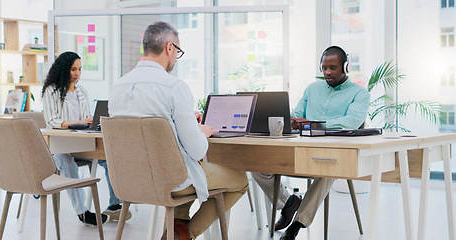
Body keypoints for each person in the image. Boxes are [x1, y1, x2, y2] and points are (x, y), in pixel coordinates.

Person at [108, 21, 249, 240]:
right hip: (170, 181)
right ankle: (183, 235)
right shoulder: (173, 86)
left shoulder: (117, 87)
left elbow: (151, 131)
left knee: (188, 168)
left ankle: (176, 230)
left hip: (131, 182)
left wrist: (179, 123)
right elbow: (195, 150)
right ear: (169, 47)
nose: (176, 58)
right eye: (178, 51)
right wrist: (200, 131)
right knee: (240, 181)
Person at [252, 46, 370, 240]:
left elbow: (352, 121)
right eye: (324, 68)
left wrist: (314, 124)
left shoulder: (360, 94)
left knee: (329, 170)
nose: (327, 72)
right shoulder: (312, 89)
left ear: (346, 67)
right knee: (257, 166)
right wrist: (292, 119)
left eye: (333, 67)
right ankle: (288, 203)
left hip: (334, 151)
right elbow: (298, 114)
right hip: (301, 146)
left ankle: (297, 224)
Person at [41, 51, 131, 226]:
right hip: (58, 146)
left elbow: (87, 117)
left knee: (108, 158)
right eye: (73, 69)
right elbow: (51, 121)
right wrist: (79, 122)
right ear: (63, 69)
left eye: (80, 69)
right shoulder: (51, 91)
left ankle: (114, 205)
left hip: (81, 142)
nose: (77, 74)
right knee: (67, 163)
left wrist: (91, 123)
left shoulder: (82, 91)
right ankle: (82, 212)